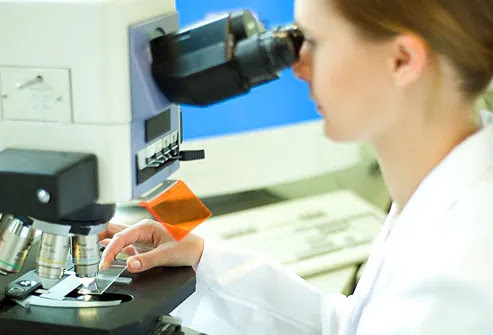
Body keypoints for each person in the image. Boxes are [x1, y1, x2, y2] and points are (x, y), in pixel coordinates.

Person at [99, 0, 493, 333]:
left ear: (402, 60)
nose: (297, 67)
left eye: (314, 42)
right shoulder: (443, 193)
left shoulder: (459, 273)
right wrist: (201, 260)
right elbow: (348, 324)